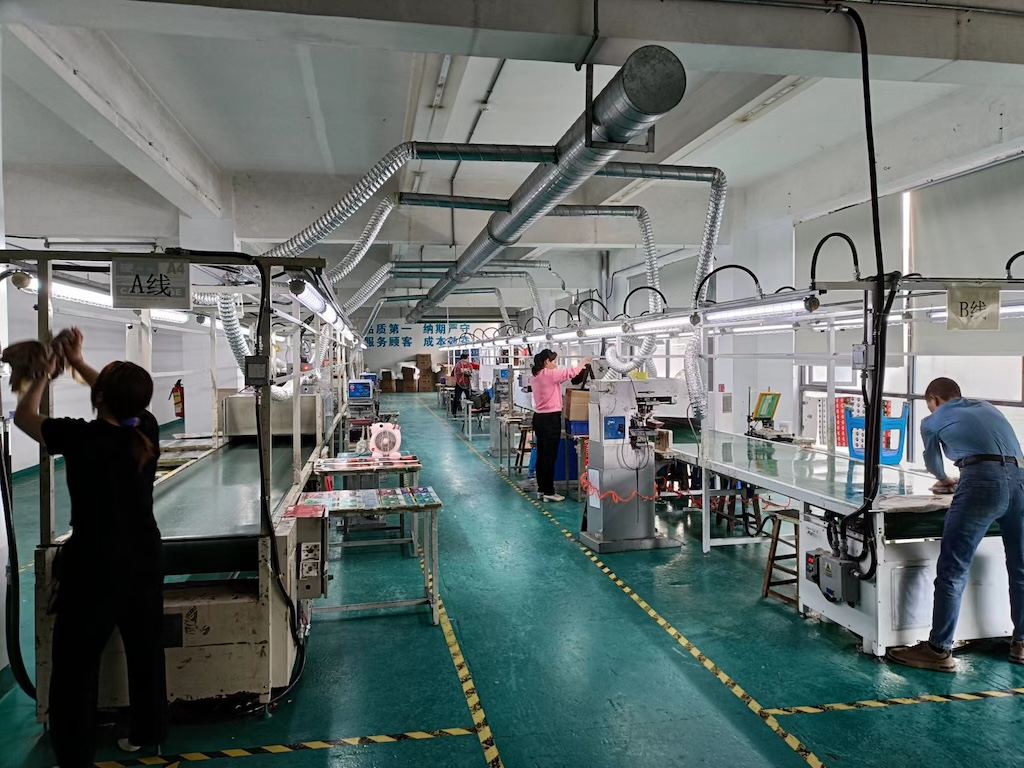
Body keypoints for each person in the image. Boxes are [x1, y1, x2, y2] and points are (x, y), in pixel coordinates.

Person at [13, 328, 168, 766]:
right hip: (144, 557)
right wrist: (79, 363)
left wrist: (43, 375)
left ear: (99, 397)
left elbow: (24, 417)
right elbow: (122, 401)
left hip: (96, 565)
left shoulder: (80, 437)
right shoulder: (145, 429)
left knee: (76, 666)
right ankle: (150, 732)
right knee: (146, 651)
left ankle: (74, 753)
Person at [887, 377, 1024, 672]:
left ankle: (938, 650)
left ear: (934, 400)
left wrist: (946, 480)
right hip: (1020, 481)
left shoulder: (932, 421)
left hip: (981, 485)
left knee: (953, 570)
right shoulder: (988, 407)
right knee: (1021, 568)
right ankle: (1022, 644)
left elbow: (934, 463)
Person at [529, 349, 591, 502]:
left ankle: (542, 489)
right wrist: (583, 363)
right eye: (554, 362)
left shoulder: (536, 376)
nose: (556, 365)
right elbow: (569, 373)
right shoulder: (548, 374)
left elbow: (562, 378)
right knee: (549, 456)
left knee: (542, 455)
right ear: (547, 362)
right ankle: (549, 491)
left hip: (539, 418)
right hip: (550, 420)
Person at [451, 352, 475, 417]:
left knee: (469, 399)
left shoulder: (469, 365)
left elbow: (473, 370)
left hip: (467, 385)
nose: (468, 360)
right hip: (459, 385)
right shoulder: (458, 366)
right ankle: (454, 413)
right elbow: (453, 373)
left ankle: (469, 413)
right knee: (456, 399)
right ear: (463, 359)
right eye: (467, 358)